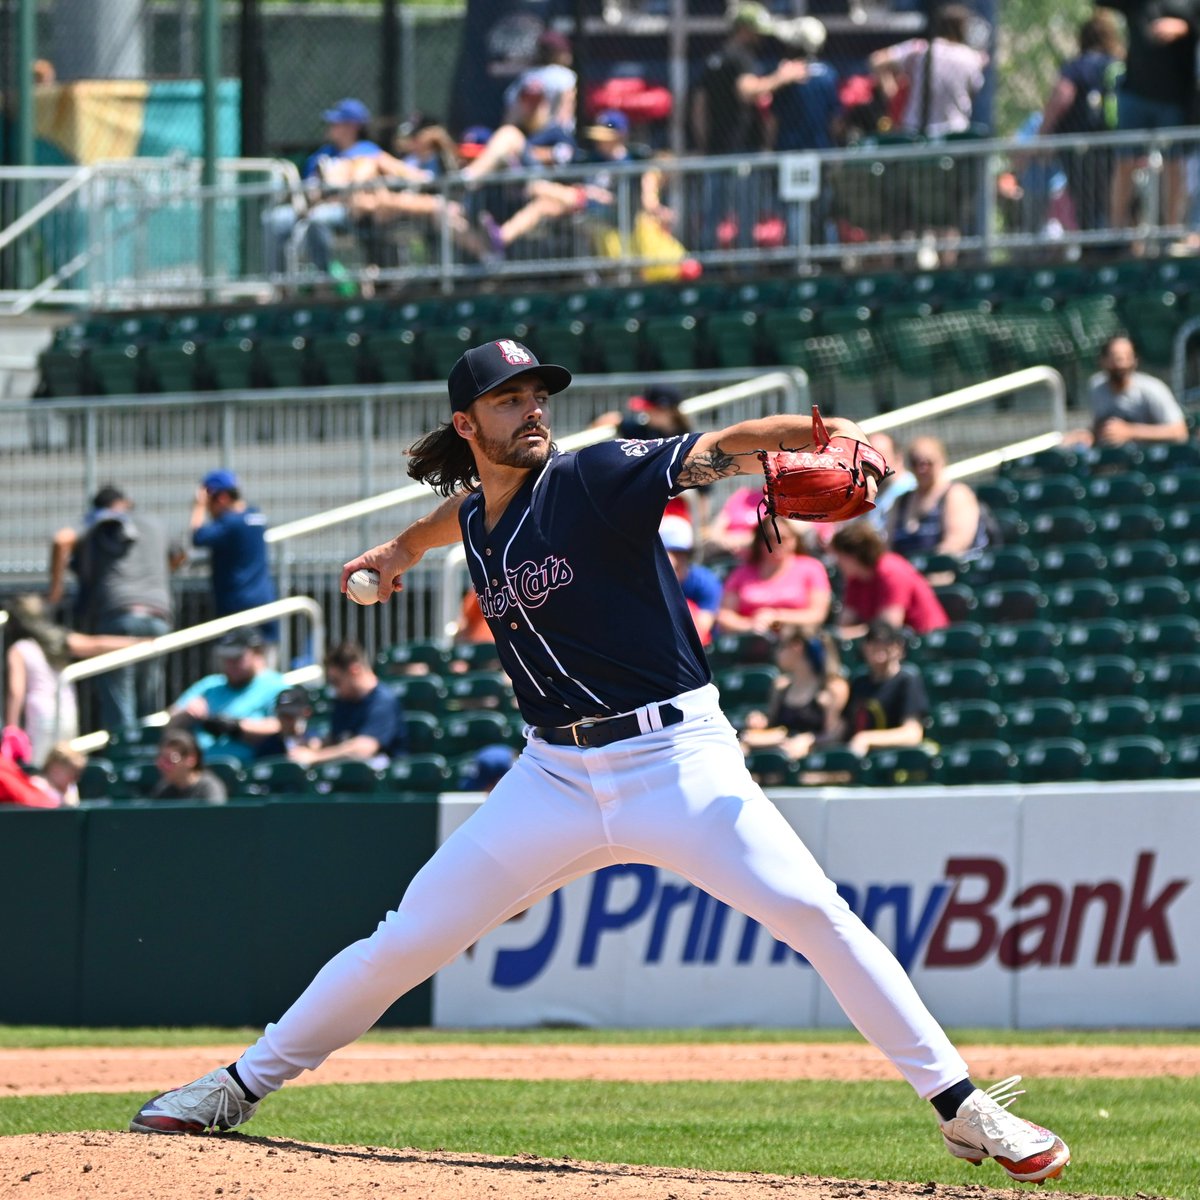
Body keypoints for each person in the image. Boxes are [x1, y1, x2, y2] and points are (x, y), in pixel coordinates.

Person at [128, 337, 1070, 1191]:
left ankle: (962, 1110)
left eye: (538, 392)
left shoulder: (595, 474)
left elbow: (723, 445)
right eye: (508, 398)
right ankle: (240, 1085)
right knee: (404, 941)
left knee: (816, 914)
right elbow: (442, 525)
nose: (532, 407)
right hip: (553, 779)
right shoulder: (476, 520)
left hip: (676, 759)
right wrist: (393, 550)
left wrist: (832, 428)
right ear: (468, 424)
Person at [47, 485, 178, 738]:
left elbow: (62, 539)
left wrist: (55, 591)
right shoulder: (154, 523)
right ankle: (147, 755)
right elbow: (179, 555)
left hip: (118, 616)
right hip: (158, 615)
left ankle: (125, 756)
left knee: (120, 698)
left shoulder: (100, 521)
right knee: (148, 696)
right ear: (127, 502)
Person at [690, 3, 808, 249]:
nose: (760, 37)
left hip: (716, 149)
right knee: (744, 215)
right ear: (743, 29)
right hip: (740, 149)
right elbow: (747, 91)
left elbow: (699, 108)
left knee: (713, 214)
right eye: (756, 31)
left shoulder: (714, 58)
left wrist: (705, 143)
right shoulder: (740, 58)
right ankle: (745, 272)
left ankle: (708, 268)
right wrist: (783, 77)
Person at [4, 594, 148, 766]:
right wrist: (140, 642)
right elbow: (97, 644)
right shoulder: (59, 639)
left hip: (39, 715)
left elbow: (16, 690)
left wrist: (11, 727)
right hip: (67, 711)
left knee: (40, 769)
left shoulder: (19, 649)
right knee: (66, 765)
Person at [261, 98, 384, 275]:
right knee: (273, 219)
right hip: (312, 205)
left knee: (318, 219)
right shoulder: (325, 152)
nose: (331, 126)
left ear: (352, 126)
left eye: (337, 123)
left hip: (348, 211)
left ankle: (323, 279)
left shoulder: (367, 151)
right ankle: (277, 281)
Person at [1107, 0, 1200, 235]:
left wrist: (1184, 27)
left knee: (1173, 164)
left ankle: (1171, 232)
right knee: (1125, 161)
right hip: (1135, 94)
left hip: (1174, 98)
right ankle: (1116, 234)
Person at [1038, 11, 1125, 233]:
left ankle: (1094, 247)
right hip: (1116, 144)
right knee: (1117, 196)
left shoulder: (1077, 66)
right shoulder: (1118, 65)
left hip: (1080, 147)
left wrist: (1044, 133)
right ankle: (1119, 243)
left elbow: (1063, 95)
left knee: (1087, 199)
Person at [166, 629, 286, 767]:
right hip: (200, 768)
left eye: (237, 658)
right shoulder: (210, 685)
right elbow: (170, 722)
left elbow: (282, 726)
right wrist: (187, 713)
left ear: (257, 653)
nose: (230, 664)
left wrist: (236, 727)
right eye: (226, 659)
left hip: (248, 768)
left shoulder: (275, 685)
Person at [869, 4, 987, 138]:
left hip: (915, 132)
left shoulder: (920, 48)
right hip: (954, 133)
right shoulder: (971, 57)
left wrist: (890, 89)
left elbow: (877, 60)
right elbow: (973, 92)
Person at [189, 470, 278, 645]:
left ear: (221, 498)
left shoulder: (230, 523)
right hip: (264, 600)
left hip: (238, 605)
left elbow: (197, 537)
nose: (208, 509)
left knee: (238, 665)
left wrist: (198, 506)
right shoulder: (256, 515)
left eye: (209, 503)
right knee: (265, 660)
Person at [286, 641, 405, 769]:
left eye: (336, 681)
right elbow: (336, 739)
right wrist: (315, 745)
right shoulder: (344, 701)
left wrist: (315, 757)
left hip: (381, 781)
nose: (334, 688)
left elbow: (363, 749)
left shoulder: (383, 701)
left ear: (354, 670)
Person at [739, 626, 848, 762]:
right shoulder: (780, 687)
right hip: (779, 762)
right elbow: (776, 726)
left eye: (781, 646)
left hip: (815, 770)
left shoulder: (833, 687)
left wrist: (810, 739)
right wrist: (761, 723)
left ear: (797, 647)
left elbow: (836, 735)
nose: (777, 653)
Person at [829, 521, 950, 638]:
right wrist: (840, 635)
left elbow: (888, 627)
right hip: (885, 647)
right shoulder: (855, 579)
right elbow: (845, 623)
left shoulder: (891, 571)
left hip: (925, 643)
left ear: (853, 555)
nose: (837, 562)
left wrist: (846, 634)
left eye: (839, 556)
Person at [1066, 334, 1189, 447]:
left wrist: (1130, 431)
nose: (1121, 364)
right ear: (1102, 361)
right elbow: (1100, 426)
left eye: (1127, 357)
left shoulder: (1152, 389)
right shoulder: (1096, 387)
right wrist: (1087, 435)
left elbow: (1179, 432)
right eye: (1115, 358)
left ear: (1135, 361)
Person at [887, 436, 988, 567]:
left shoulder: (956, 494)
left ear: (942, 461)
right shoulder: (901, 501)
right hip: (905, 578)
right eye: (915, 462)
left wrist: (924, 571)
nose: (921, 468)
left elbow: (956, 544)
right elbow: (887, 547)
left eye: (927, 462)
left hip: (946, 575)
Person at [717, 519, 832, 635]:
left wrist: (777, 617)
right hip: (751, 640)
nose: (778, 543)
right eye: (771, 538)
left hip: (797, 638)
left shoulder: (812, 568)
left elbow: (818, 614)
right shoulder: (742, 573)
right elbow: (725, 616)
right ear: (760, 542)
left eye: (784, 538)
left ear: (795, 540)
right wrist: (751, 625)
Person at [839, 620, 929, 758]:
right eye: (873, 641)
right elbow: (842, 728)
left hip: (895, 763)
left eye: (886, 642)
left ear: (898, 647)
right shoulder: (859, 683)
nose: (879, 647)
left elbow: (912, 734)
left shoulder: (907, 681)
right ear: (864, 648)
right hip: (860, 762)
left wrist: (867, 739)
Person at [659, 514, 723, 646]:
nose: (675, 560)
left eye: (681, 553)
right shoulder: (647, 582)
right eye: (667, 553)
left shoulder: (705, 582)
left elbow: (699, 633)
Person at [149, 730, 227, 804]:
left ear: (191, 759)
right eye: (161, 759)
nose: (163, 765)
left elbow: (214, 815)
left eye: (170, 759)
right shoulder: (163, 790)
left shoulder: (209, 788)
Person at [252, 685, 317, 761]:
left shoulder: (319, 737)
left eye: (291, 715)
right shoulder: (268, 747)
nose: (286, 720)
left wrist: (315, 753)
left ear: (306, 713)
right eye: (283, 715)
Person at [28, 741, 85, 807]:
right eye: (70, 773)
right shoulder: (37, 785)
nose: (74, 778)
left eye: (76, 774)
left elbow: (73, 810)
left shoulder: (71, 788)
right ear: (55, 768)